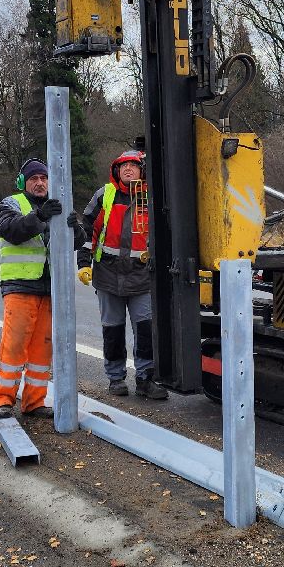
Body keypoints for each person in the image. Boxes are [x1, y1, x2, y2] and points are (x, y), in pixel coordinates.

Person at [76, 149, 167, 400]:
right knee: (113, 330)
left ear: (142, 171)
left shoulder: (150, 196)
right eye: (123, 166)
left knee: (146, 329)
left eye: (133, 166)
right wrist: (83, 263)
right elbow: (85, 232)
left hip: (141, 276)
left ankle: (145, 378)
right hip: (107, 274)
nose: (128, 169)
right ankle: (116, 378)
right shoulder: (104, 195)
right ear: (117, 171)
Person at [0, 159, 64, 420]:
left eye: (44, 178)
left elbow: (76, 240)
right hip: (20, 286)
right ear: (23, 182)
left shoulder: (55, 206)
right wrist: (40, 216)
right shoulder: (11, 203)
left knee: (41, 351)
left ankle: (34, 402)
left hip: (48, 289)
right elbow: (10, 230)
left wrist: (73, 225)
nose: (40, 182)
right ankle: (3, 399)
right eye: (34, 178)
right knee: (14, 347)